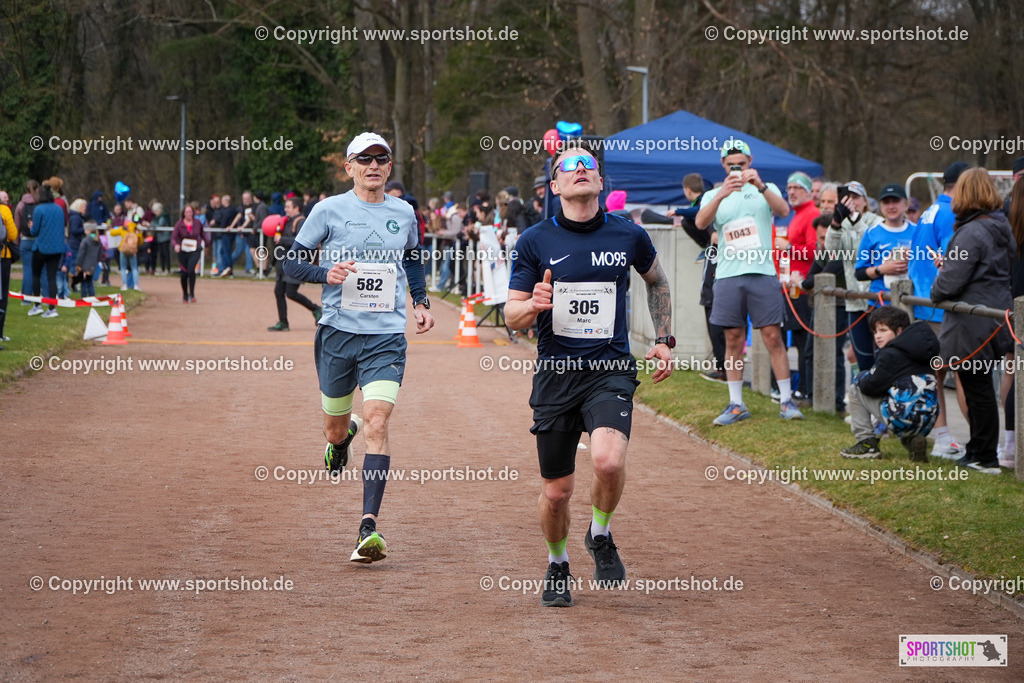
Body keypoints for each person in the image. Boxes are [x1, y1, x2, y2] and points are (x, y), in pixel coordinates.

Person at [505, 146, 674, 607]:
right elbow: (510, 315)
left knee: (608, 461)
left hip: (609, 369)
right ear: (554, 186)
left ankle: (599, 534)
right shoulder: (535, 241)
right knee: (557, 493)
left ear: (602, 182)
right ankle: (557, 563)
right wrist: (532, 305)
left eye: (589, 165)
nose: (581, 169)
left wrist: (664, 337)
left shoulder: (629, 235)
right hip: (557, 375)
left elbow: (656, 281)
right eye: (569, 167)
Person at [283, 132, 434, 564]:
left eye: (381, 158)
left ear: (389, 167)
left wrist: (420, 302)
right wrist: (325, 272)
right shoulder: (328, 210)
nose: (373, 165)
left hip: (385, 336)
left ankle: (368, 524)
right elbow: (291, 261)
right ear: (348, 167)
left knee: (378, 420)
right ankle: (340, 437)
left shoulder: (404, 212)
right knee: (336, 427)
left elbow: (412, 258)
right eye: (363, 159)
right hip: (337, 333)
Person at [695, 138, 803, 424]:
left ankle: (787, 401)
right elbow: (700, 223)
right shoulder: (713, 194)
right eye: (731, 165)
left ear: (750, 162)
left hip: (763, 273)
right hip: (729, 275)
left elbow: (783, 211)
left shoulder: (765, 190)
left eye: (741, 164)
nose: (736, 169)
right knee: (733, 339)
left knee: (772, 337)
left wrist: (762, 186)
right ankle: (735, 403)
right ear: (723, 165)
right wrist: (721, 194)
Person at [931, 168, 1014, 474]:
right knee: (980, 387)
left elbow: (950, 282)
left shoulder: (971, 231)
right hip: (994, 317)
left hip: (973, 321)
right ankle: (979, 450)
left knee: (977, 388)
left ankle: (984, 455)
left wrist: (938, 286)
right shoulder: (999, 225)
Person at [909, 161, 971, 459]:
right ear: (960, 185)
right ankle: (983, 445)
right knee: (964, 374)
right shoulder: (951, 214)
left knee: (939, 373)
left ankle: (945, 438)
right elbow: (952, 262)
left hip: (924, 303)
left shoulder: (930, 211)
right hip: (941, 305)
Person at [840, 307, 939, 461]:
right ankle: (912, 441)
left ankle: (866, 443)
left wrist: (862, 377)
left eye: (883, 330)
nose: (877, 337)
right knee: (898, 397)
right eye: (875, 332)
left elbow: (870, 386)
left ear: (899, 331)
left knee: (856, 388)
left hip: (903, 417)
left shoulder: (891, 354)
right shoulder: (924, 351)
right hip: (928, 420)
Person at [826, 181, 881, 373]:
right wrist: (835, 223)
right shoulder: (844, 223)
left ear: (865, 201)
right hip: (855, 300)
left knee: (883, 355)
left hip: (877, 298)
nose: (851, 202)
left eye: (856, 197)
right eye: (847, 198)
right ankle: (863, 398)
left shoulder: (876, 221)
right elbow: (831, 251)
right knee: (862, 357)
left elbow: (871, 246)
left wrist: (856, 222)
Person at [777, 171, 819, 399]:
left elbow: (815, 252)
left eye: (796, 188)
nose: (791, 192)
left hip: (802, 288)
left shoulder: (811, 213)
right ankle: (795, 387)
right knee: (790, 339)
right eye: (789, 188)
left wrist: (789, 248)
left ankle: (804, 389)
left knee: (802, 342)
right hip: (791, 287)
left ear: (807, 191)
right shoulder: (798, 214)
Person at [800, 213, 847, 412]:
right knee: (810, 352)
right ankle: (813, 399)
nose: (822, 243)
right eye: (819, 238)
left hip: (840, 306)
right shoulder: (823, 251)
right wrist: (805, 283)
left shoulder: (842, 251)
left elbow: (820, 275)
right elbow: (809, 279)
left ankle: (835, 402)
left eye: (825, 238)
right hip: (818, 305)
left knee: (835, 354)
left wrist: (805, 282)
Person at [268, 197, 322, 331]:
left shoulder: (301, 222)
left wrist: (282, 239)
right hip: (283, 263)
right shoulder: (287, 221)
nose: (285, 209)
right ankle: (283, 323)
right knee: (278, 291)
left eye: (288, 207)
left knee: (291, 292)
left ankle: (316, 309)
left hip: (296, 262)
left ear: (296, 208)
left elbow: (302, 242)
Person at [28, 183, 66, 317]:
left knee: (36, 276)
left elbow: (34, 231)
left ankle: (37, 305)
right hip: (57, 248)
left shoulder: (39, 210)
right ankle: (52, 308)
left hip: (41, 248)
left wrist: (31, 226)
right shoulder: (58, 209)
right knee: (51, 278)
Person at [172, 204, 209, 303]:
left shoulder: (197, 223)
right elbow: (173, 238)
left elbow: (203, 235)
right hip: (183, 251)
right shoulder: (179, 224)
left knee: (191, 270)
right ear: (184, 213)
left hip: (195, 250)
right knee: (184, 273)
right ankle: (185, 294)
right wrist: (176, 245)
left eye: (190, 212)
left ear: (193, 213)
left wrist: (208, 244)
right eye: (187, 212)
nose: (189, 214)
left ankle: (192, 294)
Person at [15, 180, 40, 302]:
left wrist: (16, 243)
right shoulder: (40, 204)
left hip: (25, 240)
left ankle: (26, 299)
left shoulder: (21, 205)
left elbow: (17, 225)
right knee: (40, 270)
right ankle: (40, 297)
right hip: (38, 240)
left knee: (27, 270)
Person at [0, 197, 17, 345]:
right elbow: (12, 235)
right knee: (2, 296)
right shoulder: (4, 210)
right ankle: (0, 332)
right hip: (3, 256)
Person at [75, 225, 102, 298]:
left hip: (85, 264)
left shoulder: (85, 241)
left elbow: (81, 253)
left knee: (84, 282)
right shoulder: (98, 240)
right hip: (93, 264)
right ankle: (92, 297)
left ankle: (83, 298)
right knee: (90, 281)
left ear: (89, 230)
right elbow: (100, 253)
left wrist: (78, 264)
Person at [151, 202, 173, 275]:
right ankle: (163, 269)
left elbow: (159, 225)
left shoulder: (163, 216)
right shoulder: (157, 217)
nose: (155, 213)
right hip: (160, 238)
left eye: (156, 211)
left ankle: (168, 269)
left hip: (165, 238)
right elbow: (152, 223)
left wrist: (152, 225)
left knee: (166, 254)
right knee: (161, 255)